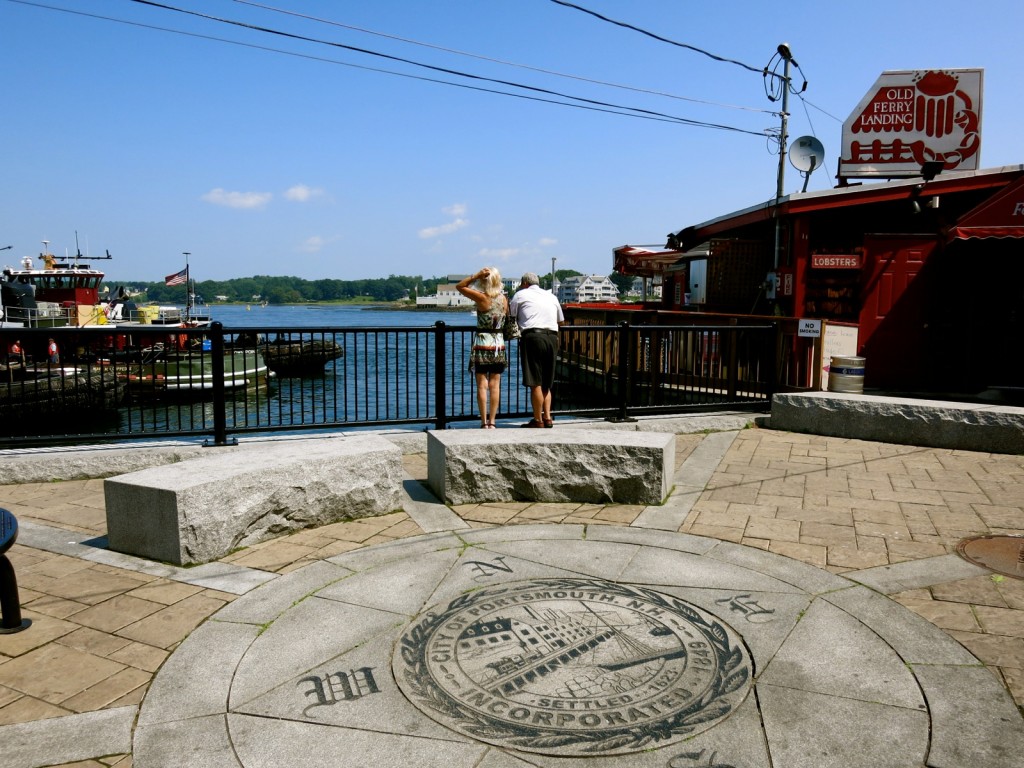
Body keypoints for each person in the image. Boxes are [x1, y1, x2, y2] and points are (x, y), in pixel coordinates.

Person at [508, 272, 564, 428]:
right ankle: (548, 418)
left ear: (525, 283)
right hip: (552, 337)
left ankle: (537, 420)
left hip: (532, 336)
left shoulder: (520, 295)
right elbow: (561, 320)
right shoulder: (551, 296)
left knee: (536, 382)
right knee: (547, 382)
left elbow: (511, 317)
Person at [456, 267, 508, 428]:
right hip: (498, 343)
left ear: (483, 281)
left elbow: (460, 286)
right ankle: (492, 422)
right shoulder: (504, 299)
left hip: (482, 343)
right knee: (495, 384)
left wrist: (476, 275)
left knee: (481, 385)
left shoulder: (482, 298)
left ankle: (483, 422)